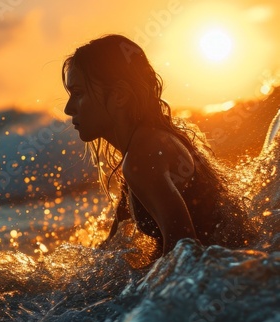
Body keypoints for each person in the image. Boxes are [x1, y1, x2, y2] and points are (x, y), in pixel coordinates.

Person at [62, 34, 254, 255]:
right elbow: (108, 251)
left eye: (78, 94)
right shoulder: (144, 146)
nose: (68, 109)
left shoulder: (142, 156)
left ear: (119, 96)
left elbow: (185, 252)